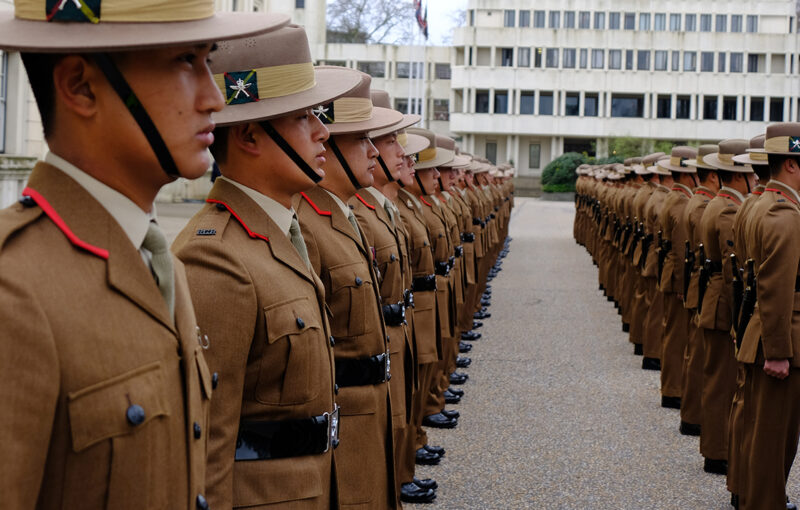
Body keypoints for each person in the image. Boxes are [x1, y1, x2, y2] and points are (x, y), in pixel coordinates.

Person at [0, 1, 287, 508]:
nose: (215, 98)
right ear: (81, 87)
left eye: (208, 61)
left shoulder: (156, 260)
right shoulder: (15, 291)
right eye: (184, 61)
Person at [172, 27, 362, 509]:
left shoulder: (280, 233)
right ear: (250, 135)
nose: (322, 131)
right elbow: (208, 445)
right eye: (302, 117)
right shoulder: (215, 257)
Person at [294, 71, 403, 510]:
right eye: (362, 139)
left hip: (367, 401)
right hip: (340, 419)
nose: (374, 151)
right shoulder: (306, 224)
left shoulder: (341, 216)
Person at [348, 90, 437, 505]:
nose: (404, 155)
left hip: (400, 328)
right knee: (391, 425)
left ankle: (403, 473)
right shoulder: (356, 213)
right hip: (379, 345)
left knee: (404, 414)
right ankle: (401, 476)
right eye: (390, 141)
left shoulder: (384, 208)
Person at [736, 123, 800, 510]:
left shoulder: (761, 202)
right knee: (775, 439)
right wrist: (778, 352)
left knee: (763, 434)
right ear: (791, 164)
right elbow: (776, 286)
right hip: (782, 337)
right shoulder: (785, 213)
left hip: (764, 330)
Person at [697, 140, 755, 476]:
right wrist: (740, 318)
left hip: (714, 297)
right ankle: (718, 451)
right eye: (750, 172)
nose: (755, 178)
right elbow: (735, 270)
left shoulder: (718, 202)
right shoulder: (729, 210)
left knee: (716, 378)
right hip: (723, 303)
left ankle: (715, 448)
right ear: (737, 175)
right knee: (723, 382)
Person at [678, 144, 720, 437]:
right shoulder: (706, 205)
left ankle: (692, 414)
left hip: (698, 282)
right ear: (713, 176)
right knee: (704, 360)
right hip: (708, 286)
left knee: (696, 354)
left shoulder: (698, 202)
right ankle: (694, 417)